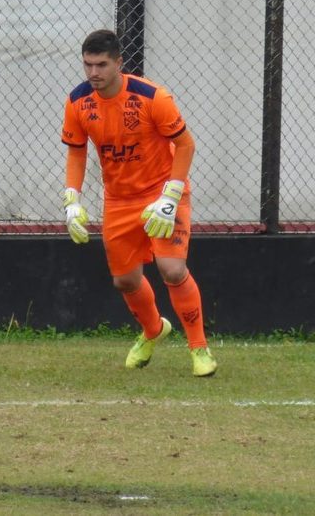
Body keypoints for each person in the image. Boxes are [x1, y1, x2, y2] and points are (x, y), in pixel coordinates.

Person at [61, 29, 217, 377]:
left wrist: (171, 196)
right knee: (125, 282)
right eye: (87, 65)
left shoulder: (152, 97)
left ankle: (199, 348)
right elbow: (76, 152)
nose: (93, 73)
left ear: (119, 62)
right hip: (118, 200)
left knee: (172, 270)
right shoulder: (77, 102)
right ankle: (153, 330)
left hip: (163, 193)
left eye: (101, 65)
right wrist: (72, 199)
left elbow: (186, 145)